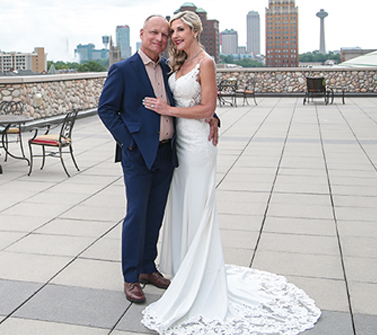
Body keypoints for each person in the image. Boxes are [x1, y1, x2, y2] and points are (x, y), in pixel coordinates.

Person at [140, 11, 321, 334]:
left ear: (196, 31)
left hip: (198, 148)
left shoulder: (206, 62)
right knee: (182, 206)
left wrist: (177, 112)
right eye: (172, 31)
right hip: (179, 144)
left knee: (198, 206)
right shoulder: (178, 63)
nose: (175, 36)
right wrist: (196, 116)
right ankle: (185, 270)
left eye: (180, 30)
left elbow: (207, 108)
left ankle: (201, 276)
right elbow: (194, 103)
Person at [97, 14, 218, 304]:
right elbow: (106, 110)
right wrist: (129, 143)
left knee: (155, 215)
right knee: (136, 214)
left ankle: (148, 268)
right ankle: (130, 277)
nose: (160, 39)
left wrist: (212, 116)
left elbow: (189, 99)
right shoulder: (123, 69)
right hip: (138, 155)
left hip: (167, 153)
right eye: (155, 33)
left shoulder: (168, 68)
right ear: (142, 33)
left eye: (165, 35)